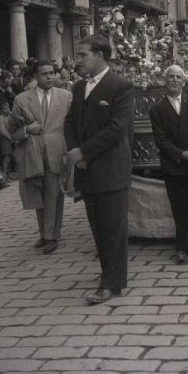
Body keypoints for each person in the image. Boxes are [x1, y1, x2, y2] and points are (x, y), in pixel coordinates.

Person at [64, 35, 135, 304]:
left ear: (100, 56)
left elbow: (117, 129)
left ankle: (112, 284)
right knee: (97, 226)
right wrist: (75, 153)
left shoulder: (121, 86)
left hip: (111, 168)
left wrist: (84, 151)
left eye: (82, 55)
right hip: (86, 168)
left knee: (113, 228)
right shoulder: (78, 87)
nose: (77, 60)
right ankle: (108, 274)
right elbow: (70, 122)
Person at [8, 60, 72, 254]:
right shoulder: (21, 99)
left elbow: (72, 126)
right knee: (37, 193)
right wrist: (27, 129)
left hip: (56, 151)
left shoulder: (66, 96)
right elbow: (11, 130)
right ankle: (44, 233)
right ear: (35, 76)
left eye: (52, 73)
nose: (50, 77)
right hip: (32, 152)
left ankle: (52, 236)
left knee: (54, 194)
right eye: (44, 74)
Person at [150, 65, 188, 264]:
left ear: (184, 81)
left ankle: (185, 246)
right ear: (164, 81)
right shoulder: (157, 108)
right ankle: (186, 244)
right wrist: (180, 154)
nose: (174, 80)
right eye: (170, 77)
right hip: (173, 163)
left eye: (178, 77)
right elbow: (161, 139)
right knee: (178, 205)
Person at [0, 101, 14, 181]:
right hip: (5, 140)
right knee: (6, 157)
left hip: (11, 140)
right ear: (1, 110)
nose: (7, 109)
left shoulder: (10, 116)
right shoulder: (0, 118)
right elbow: (2, 131)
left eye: (8, 108)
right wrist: (10, 138)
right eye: (5, 108)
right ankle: (5, 174)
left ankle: (8, 174)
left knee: (10, 157)